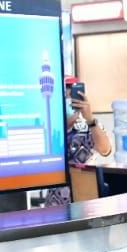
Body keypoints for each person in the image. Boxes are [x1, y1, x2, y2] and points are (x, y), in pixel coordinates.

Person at [45, 77, 113, 205]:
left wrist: (90, 120)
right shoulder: (50, 127)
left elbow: (105, 150)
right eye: (64, 97)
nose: (68, 101)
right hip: (56, 203)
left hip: (86, 201)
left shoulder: (90, 126)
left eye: (72, 96)